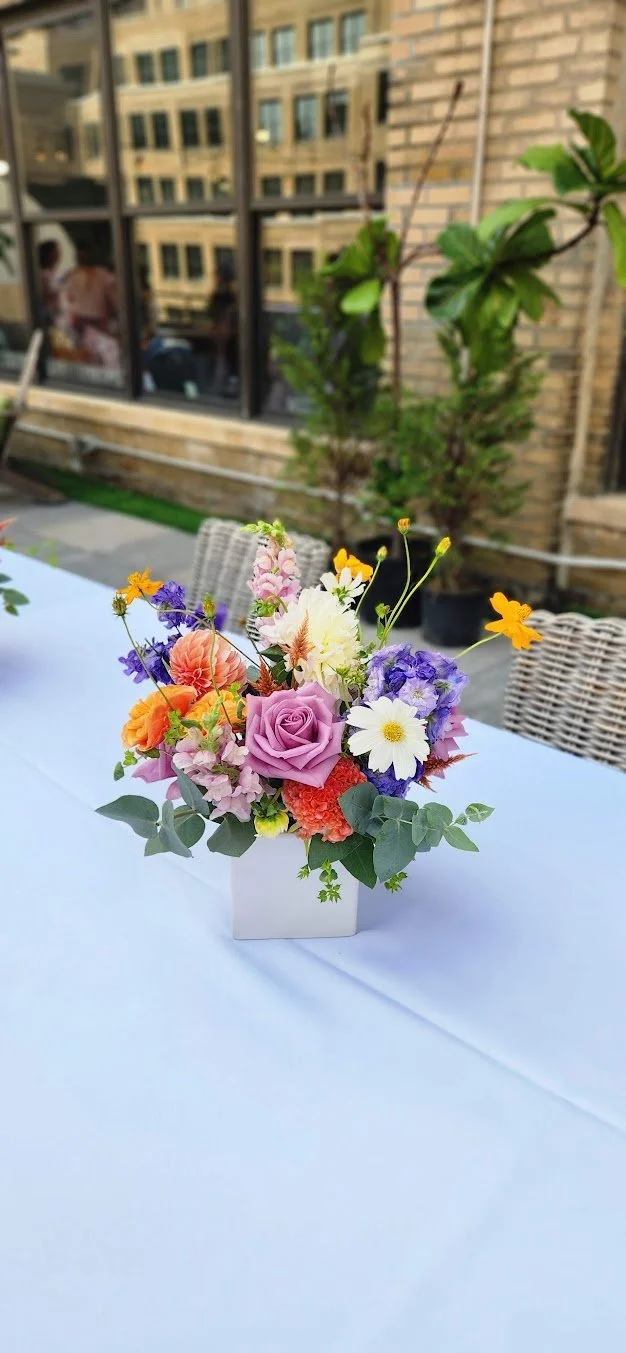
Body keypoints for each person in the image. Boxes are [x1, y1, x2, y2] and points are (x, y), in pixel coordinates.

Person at [58, 239, 119, 369]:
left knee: (103, 357)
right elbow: (66, 300)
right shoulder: (70, 276)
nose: (82, 257)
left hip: (99, 323)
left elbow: (113, 301)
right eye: (80, 254)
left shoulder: (103, 275)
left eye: (85, 254)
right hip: (78, 323)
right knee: (84, 358)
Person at [207, 258, 238, 396]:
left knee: (223, 361)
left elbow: (212, 312)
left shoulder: (221, 296)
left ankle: (224, 386)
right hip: (228, 336)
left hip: (226, 336)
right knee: (225, 362)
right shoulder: (230, 296)